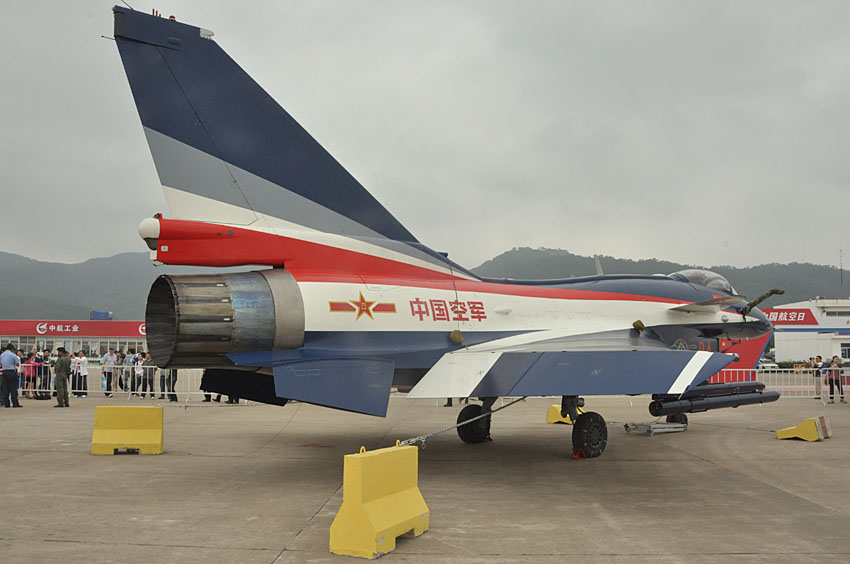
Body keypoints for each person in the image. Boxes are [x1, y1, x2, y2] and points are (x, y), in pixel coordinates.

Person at [0, 343, 22, 408]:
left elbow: (1, 364)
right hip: (11, 372)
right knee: (13, 388)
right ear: (12, 349)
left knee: (5, 388)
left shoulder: (2, 355)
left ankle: (6, 403)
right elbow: (17, 364)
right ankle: (15, 403)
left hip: (4, 372)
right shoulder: (13, 355)